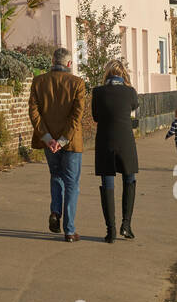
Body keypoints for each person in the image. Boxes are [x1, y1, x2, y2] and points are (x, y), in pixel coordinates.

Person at [29, 47, 87, 242]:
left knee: (56, 176)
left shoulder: (39, 82)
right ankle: (69, 230)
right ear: (69, 64)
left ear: (52, 61)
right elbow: (76, 116)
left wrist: (48, 138)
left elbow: (34, 113)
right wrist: (62, 140)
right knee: (72, 183)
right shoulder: (77, 83)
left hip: (49, 142)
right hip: (70, 143)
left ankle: (55, 211)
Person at [91, 59, 139, 243]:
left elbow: (95, 117)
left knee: (108, 183)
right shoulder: (130, 92)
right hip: (126, 141)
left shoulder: (98, 92)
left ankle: (110, 230)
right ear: (123, 74)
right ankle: (126, 226)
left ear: (107, 74)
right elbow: (134, 107)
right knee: (129, 179)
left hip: (105, 141)